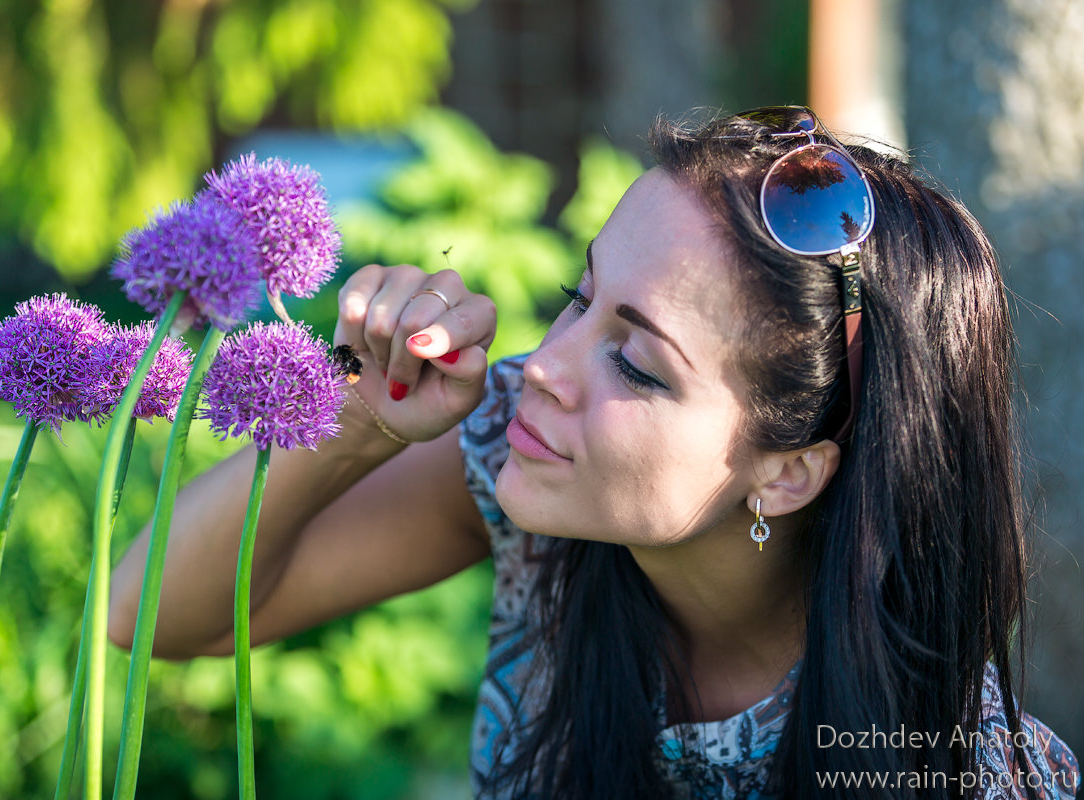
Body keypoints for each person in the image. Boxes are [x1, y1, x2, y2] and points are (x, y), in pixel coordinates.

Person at [109, 107, 1080, 799]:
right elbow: (148, 608)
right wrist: (364, 411)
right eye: (580, 297)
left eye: (637, 362)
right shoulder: (519, 461)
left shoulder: (961, 770)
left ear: (788, 472)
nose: (543, 366)